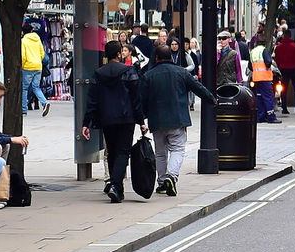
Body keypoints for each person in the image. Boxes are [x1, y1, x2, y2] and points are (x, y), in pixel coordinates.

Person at [140, 44, 214, 197]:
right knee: (177, 149)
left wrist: (141, 118)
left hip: (157, 120)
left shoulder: (148, 75)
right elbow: (198, 88)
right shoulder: (181, 72)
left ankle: (162, 183)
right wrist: (211, 99)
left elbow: (141, 100)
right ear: (171, 57)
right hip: (177, 119)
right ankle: (171, 176)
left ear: (156, 58)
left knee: (160, 153)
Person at [81, 40, 144, 204]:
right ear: (118, 54)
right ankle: (115, 186)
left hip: (107, 118)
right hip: (126, 118)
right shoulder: (128, 71)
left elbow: (92, 100)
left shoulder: (98, 73)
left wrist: (86, 123)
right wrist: (141, 120)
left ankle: (118, 190)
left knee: (112, 152)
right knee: (123, 152)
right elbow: (136, 98)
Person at [20, 22, 50, 116]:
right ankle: (44, 102)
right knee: (36, 87)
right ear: (32, 30)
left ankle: (24, 110)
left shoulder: (23, 41)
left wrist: (22, 65)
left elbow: (23, 56)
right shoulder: (37, 39)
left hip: (28, 66)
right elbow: (42, 54)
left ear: (23, 32)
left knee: (24, 88)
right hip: (38, 66)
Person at [248, 40, 279, 124]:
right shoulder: (264, 50)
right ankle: (271, 117)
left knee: (259, 97)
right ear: (265, 44)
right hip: (265, 77)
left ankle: (260, 117)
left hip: (256, 78)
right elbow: (268, 62)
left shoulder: (253, 52)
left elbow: (250, 66)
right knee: (269, 97)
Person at [274, 29, 295, 115]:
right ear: (290, 35)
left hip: (283, 69)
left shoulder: (279, 47)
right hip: (294, 69)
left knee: (283, 88)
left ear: (284, 36)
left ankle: (284, 107)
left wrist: (279, 67)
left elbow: (277, 59)